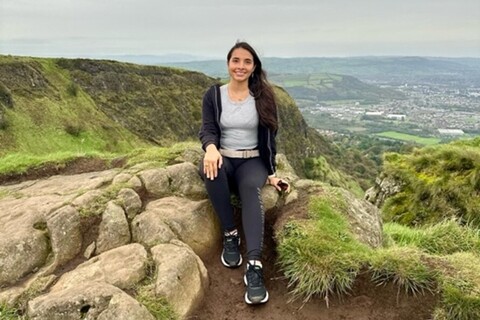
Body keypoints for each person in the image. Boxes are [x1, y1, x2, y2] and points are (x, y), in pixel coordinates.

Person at [198, 41, 290, 305]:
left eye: (247, 61)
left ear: (254, 66)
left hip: (253, 161)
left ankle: (254, 265)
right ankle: (230, 235)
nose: (240, 66)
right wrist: (211, 148)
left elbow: (270, 137)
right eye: (236, 60)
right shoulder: (214, 95)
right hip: (223, 156)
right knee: (211, 170)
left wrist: (271, 174)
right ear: (228, 64)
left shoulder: (264, 97)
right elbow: (207, 128)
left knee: (251, 188)